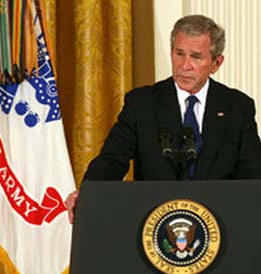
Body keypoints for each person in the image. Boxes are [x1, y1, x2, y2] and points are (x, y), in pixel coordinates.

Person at [65, 14, 261, 223]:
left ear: (216, 63)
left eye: (196, 57)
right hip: (153, 223)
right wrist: (88, 193)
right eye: (179, 54)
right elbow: (112, 159)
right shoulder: (142, 103)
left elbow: (252, 175)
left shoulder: (237, 107)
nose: (185, 65)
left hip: (219, 223)